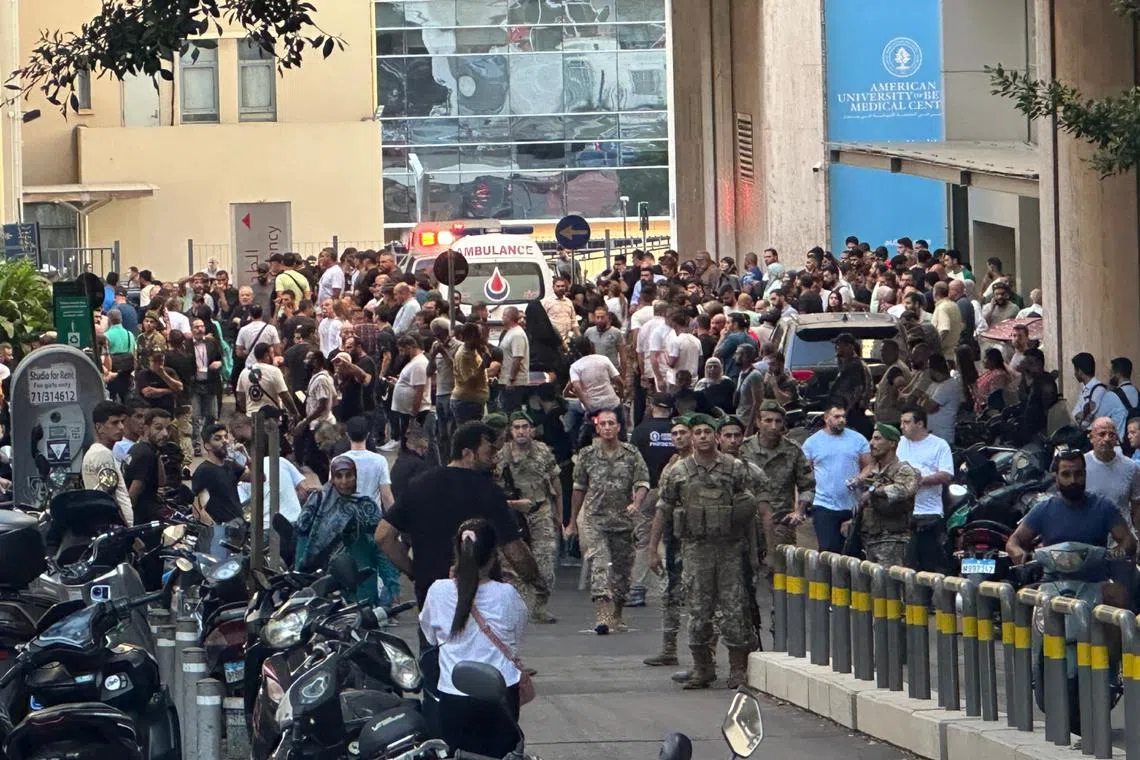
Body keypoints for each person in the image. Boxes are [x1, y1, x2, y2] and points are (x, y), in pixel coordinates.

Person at [375, 422, 541, 610]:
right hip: (480, 599)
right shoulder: (489, 492)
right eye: (489, 452)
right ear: (467, 453)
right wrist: (535, 580)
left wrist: (414, 571)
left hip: (432, 599)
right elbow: (515, 551)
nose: (494, 459)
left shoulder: (419, 485)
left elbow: (383, 536)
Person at [652, 414, 757, 689]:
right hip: (696, 550)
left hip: (729, 549)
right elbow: (663, 509)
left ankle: (737, 669)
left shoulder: (734, 468)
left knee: (734, 609)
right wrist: (652, 548)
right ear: (691, 436)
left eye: (707, 432)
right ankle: (702, 667)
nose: (702, 436)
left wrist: (754, 553)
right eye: (697, 432)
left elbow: (750, 510)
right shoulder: (678, 471)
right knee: (698, 611)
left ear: (716, 436)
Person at [420, 519, 529, 760]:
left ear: (457, 552)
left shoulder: (438, 591)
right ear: (493, 555)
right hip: (500, 697)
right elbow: (517, 637)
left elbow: (430, 636)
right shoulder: (507, 594)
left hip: (453, 696)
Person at [1006, 451, 1134, 611]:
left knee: (1119, 596)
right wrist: (1019, 554)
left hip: (1093, 582)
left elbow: (1128, 539)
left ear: (1085, 475)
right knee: (1021, 600)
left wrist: (1118, 552)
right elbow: (1014, 541)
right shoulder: (1043, 509)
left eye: (1078, 474)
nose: (1073, 480)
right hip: (1051, 582)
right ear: (1056, 477)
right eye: (1066, 474)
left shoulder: (1103, 507)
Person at [566, 408, 650, 634]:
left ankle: (617, 612)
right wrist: (572, 522)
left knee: (622, 573)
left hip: (624, 521)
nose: (607, 427)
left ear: (618, 427)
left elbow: (642, 482)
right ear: (597, 427)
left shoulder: (631, 454)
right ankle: (602, 614)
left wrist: (636, 503)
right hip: (596, 520)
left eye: (611, 423)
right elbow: (579, 488)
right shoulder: (587, 455)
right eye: (602, 424)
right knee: (600, 564)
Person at [496, 411, 562, 623]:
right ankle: (518, 607)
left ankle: (540, 606)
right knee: (512, 565)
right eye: (517, 427)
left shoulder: (543, 452)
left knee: (545, 562)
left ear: (531, 430)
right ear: (510, 430)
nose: (521, 431)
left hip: (539, 511)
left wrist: (559, 515)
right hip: (512, 515)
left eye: (525, 427)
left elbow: (555, 482)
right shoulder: (501, 455)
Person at [294, 455, 388, 603]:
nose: (344, 481)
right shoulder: (318, 501)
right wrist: (299, 575)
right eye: (339, 476)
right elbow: (302, 538)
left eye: (349, 475)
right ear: (332, 478)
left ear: (356, 477)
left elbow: (380, 547)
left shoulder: (366, 507)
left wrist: (390, 583)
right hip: (322, 581)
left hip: (361, 581)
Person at [643, 415, 693, 670]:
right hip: (674, 538)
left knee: (701, 599)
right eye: (675, 434)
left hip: (700, 540)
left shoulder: (705, 464)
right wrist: (653, 548)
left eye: (684, 432)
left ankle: (704, 656)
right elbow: (662, 508)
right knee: (670, 595)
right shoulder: (671, 465)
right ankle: (669, 649)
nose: (679, 437)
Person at [628, 392, 677, 609]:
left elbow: (632, 463)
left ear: (651, 405)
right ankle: (670, 589)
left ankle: (637, 589)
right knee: (672, 540)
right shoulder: (678, 430)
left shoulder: (640, 431)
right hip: (675, 492)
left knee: (644, 540)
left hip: (647, 491)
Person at [801, 405, 870, 552]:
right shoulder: (812, 442)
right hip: (823, 504)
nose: (841, 420)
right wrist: (800, 506)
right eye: (837, 416)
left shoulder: (858, 439)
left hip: (852, 505)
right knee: (828, 550)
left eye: (843, 416)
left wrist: (859, 478)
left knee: (853, 551)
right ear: (826, 418)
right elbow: (804, 475)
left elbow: (869, 466)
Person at [853, 424, 919, 566]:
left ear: (892, 444)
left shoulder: (903, 469)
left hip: (893, 540)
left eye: (877, 439)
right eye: (872, 439)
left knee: (889, 580)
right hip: (870, 540)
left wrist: (874, 491)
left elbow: (903, 490)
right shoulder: (872, 473)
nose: (871, 443)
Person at [897, 406, 954, 573]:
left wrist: (919, 480)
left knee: (929, 563)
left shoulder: (939, 445)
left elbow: (946, 474)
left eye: (906, 422)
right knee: (905, 564)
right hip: (902, 512)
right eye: (901, 422)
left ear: (920, 423)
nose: (902, 426)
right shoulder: (898, 443)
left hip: (928, 512)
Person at [1083, 417, 1140, 537]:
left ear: (1116, 439)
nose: (1107, 439)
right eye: (1102, 434)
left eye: (1111, 435)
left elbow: (1137, 507)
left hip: (1124, 540)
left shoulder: (1131, 467)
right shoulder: (1081, 465)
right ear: (1091, 438)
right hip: (1091, 539)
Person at [82, 400, 134, 525]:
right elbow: (111, 496)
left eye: (122, 422)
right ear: (99, 427)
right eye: (115, 423)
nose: (121, 427)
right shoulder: (102, 454)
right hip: (115, 525)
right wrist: (125, 527)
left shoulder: (97, 452)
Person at [191, 423, 248, 526]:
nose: (225, 441)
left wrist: (247, 458)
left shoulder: (230, 465)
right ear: (207, 445)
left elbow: (260, 478)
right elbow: (197, 509)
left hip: (239, 525)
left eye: (225, 437)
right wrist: (217, 529)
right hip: (223, 529)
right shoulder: (204, 471)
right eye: (218, 439)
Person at [123, 408, 173, 526]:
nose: (165, 434)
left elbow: (162, 482)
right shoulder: (145, 454)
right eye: (158, 428)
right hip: (142, 521)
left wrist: (158, 453)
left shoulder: (142, 449)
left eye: (168, 429)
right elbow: (132, 494)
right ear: (145, 428)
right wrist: (129, 526)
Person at [341, 416, 395, 510]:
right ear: (367, 435)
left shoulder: (338, 460)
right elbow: (386, 496)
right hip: (372, 514)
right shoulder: (380, 460)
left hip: (346, 514)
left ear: (347, 435)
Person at [499, 306, 531, 412]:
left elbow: (517, 358)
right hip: (507, 380)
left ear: (510, 317)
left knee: (512, 411)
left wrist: (511, 379)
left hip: (515, 383)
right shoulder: (510, 332)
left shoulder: (517, 334)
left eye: (504, 315)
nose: (502, 317)